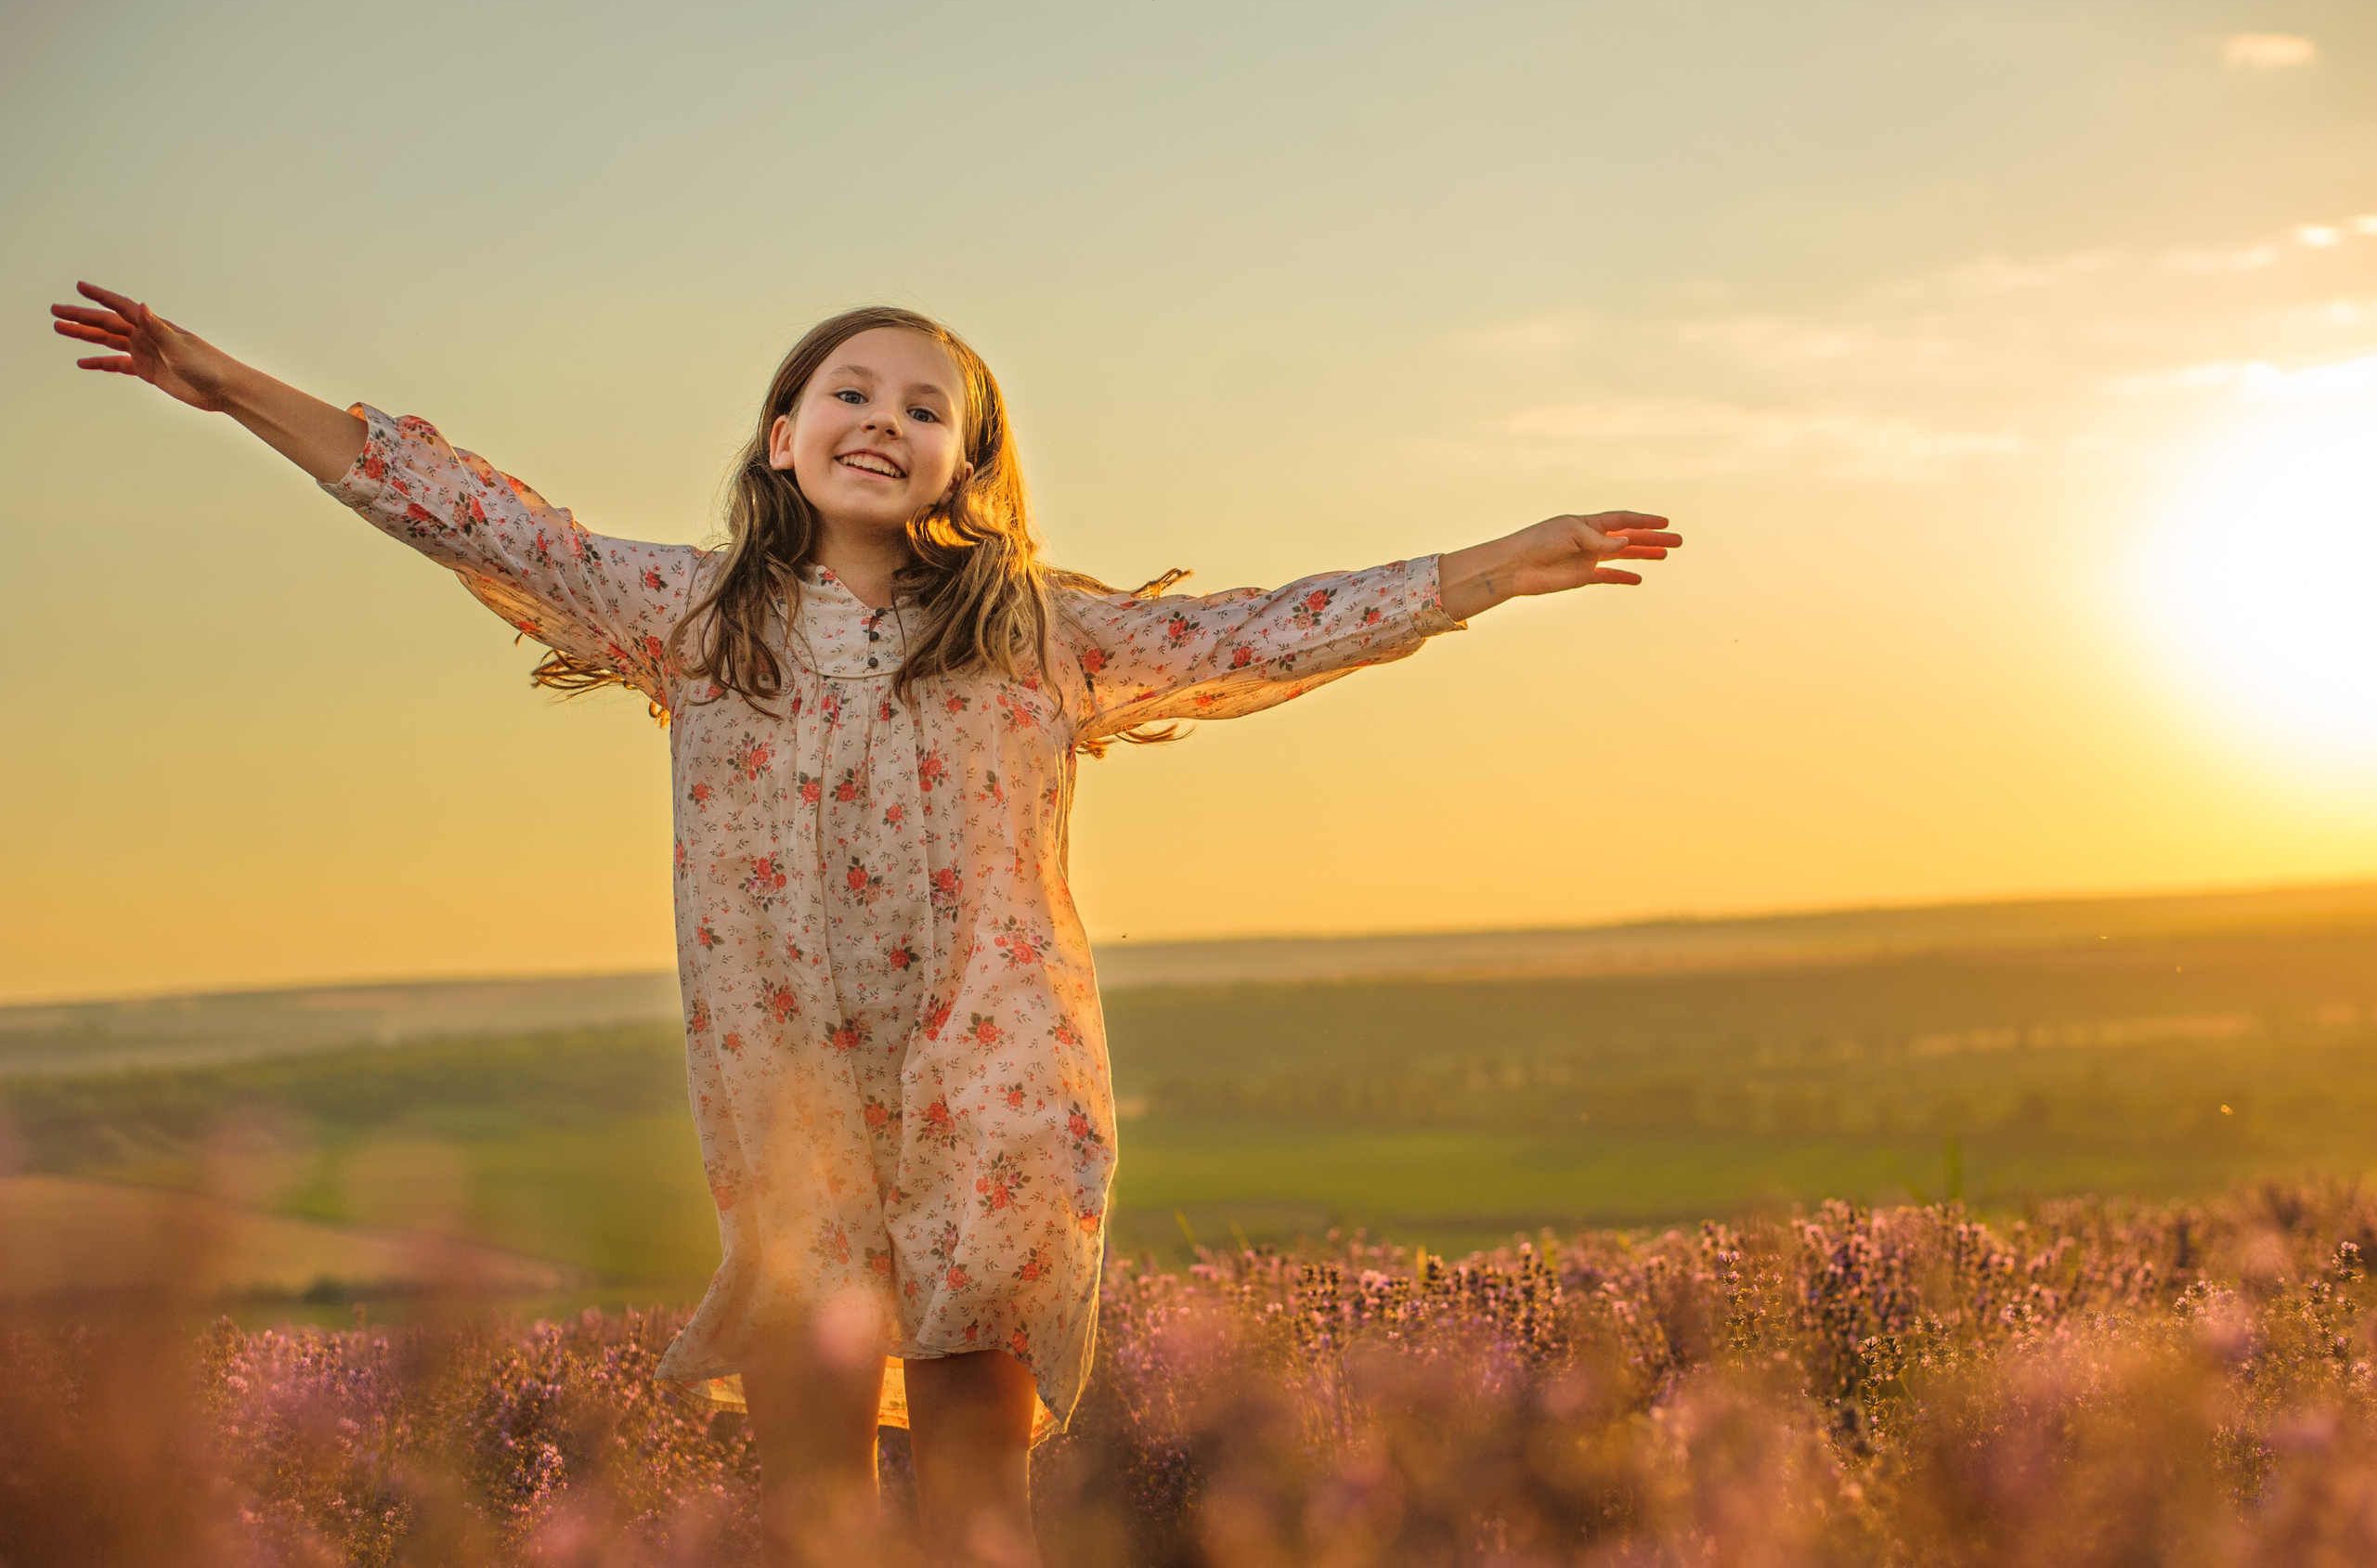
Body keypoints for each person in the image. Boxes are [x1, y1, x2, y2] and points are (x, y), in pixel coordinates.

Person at [51, 281, 1682, 1565]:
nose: (882, 420)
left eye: (927, 408)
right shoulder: (690, 621)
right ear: (781, 437)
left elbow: (1267, 630)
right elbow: (473, 514)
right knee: (815, 1493)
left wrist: (1495, 568)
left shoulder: (1041, 638)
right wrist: (235, 390)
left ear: (968, 466)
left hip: (999, 1090)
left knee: (980, 1490)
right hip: (793, 1109)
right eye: (850, 391)